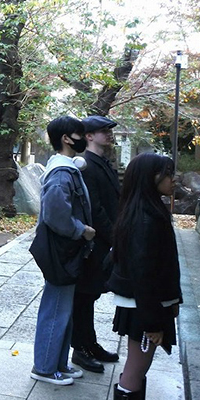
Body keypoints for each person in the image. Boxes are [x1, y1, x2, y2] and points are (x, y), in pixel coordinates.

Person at [108, 153, 180, 400]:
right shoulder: (146, 218)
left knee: (138, 366)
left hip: (144, 305)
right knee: (136, 367)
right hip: (143, 308)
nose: (173, 179)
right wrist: (153, 321)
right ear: (151, 179)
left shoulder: (143, 210)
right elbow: (144, 275)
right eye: (168, 174)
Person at [30, 116, 95, 386]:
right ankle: (44, 367)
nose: (86, 138)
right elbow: (55, 215)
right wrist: (81, 230)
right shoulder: (60, 172)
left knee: (62, 309)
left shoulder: (65, 169)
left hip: (66, 251)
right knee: (56, 308)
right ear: (67, 138)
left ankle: (56, 363)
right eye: (82, 134)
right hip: (62, 251)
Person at [71, 115, 121, 373]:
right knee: (84, 296)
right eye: (103, 131)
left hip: (104, 240)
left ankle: (90, 344)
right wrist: (114, 237)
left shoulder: (102, 162)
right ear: (89, 136)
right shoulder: (86, 165)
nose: (109, 134)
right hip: (94, 242)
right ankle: (80, 348)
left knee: (90, 296)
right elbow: (95, 208)